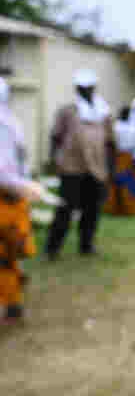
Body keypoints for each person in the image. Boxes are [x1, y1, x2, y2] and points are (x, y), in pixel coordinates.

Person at [46, 69, 114, 258]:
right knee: (65, 208)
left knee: (92, 209)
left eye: (89, 88)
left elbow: (109, 142)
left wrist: (110, 168)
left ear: (94, 88)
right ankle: (53, 247)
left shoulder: (103, 111)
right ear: (77, 89)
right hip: (72, 167)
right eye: (82, 88)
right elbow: (55, 136)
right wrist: (54, 160)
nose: (86, 91)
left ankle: (86, 244)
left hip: (97, 168)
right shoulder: (68, 111)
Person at [0, 77, 43, 324]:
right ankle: (11, 303)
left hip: (8, 198)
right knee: (7, 254)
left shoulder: (7, 126)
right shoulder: (11, 124)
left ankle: (11, 303)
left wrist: (25, 186)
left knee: (7, 254)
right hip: (11, 197)